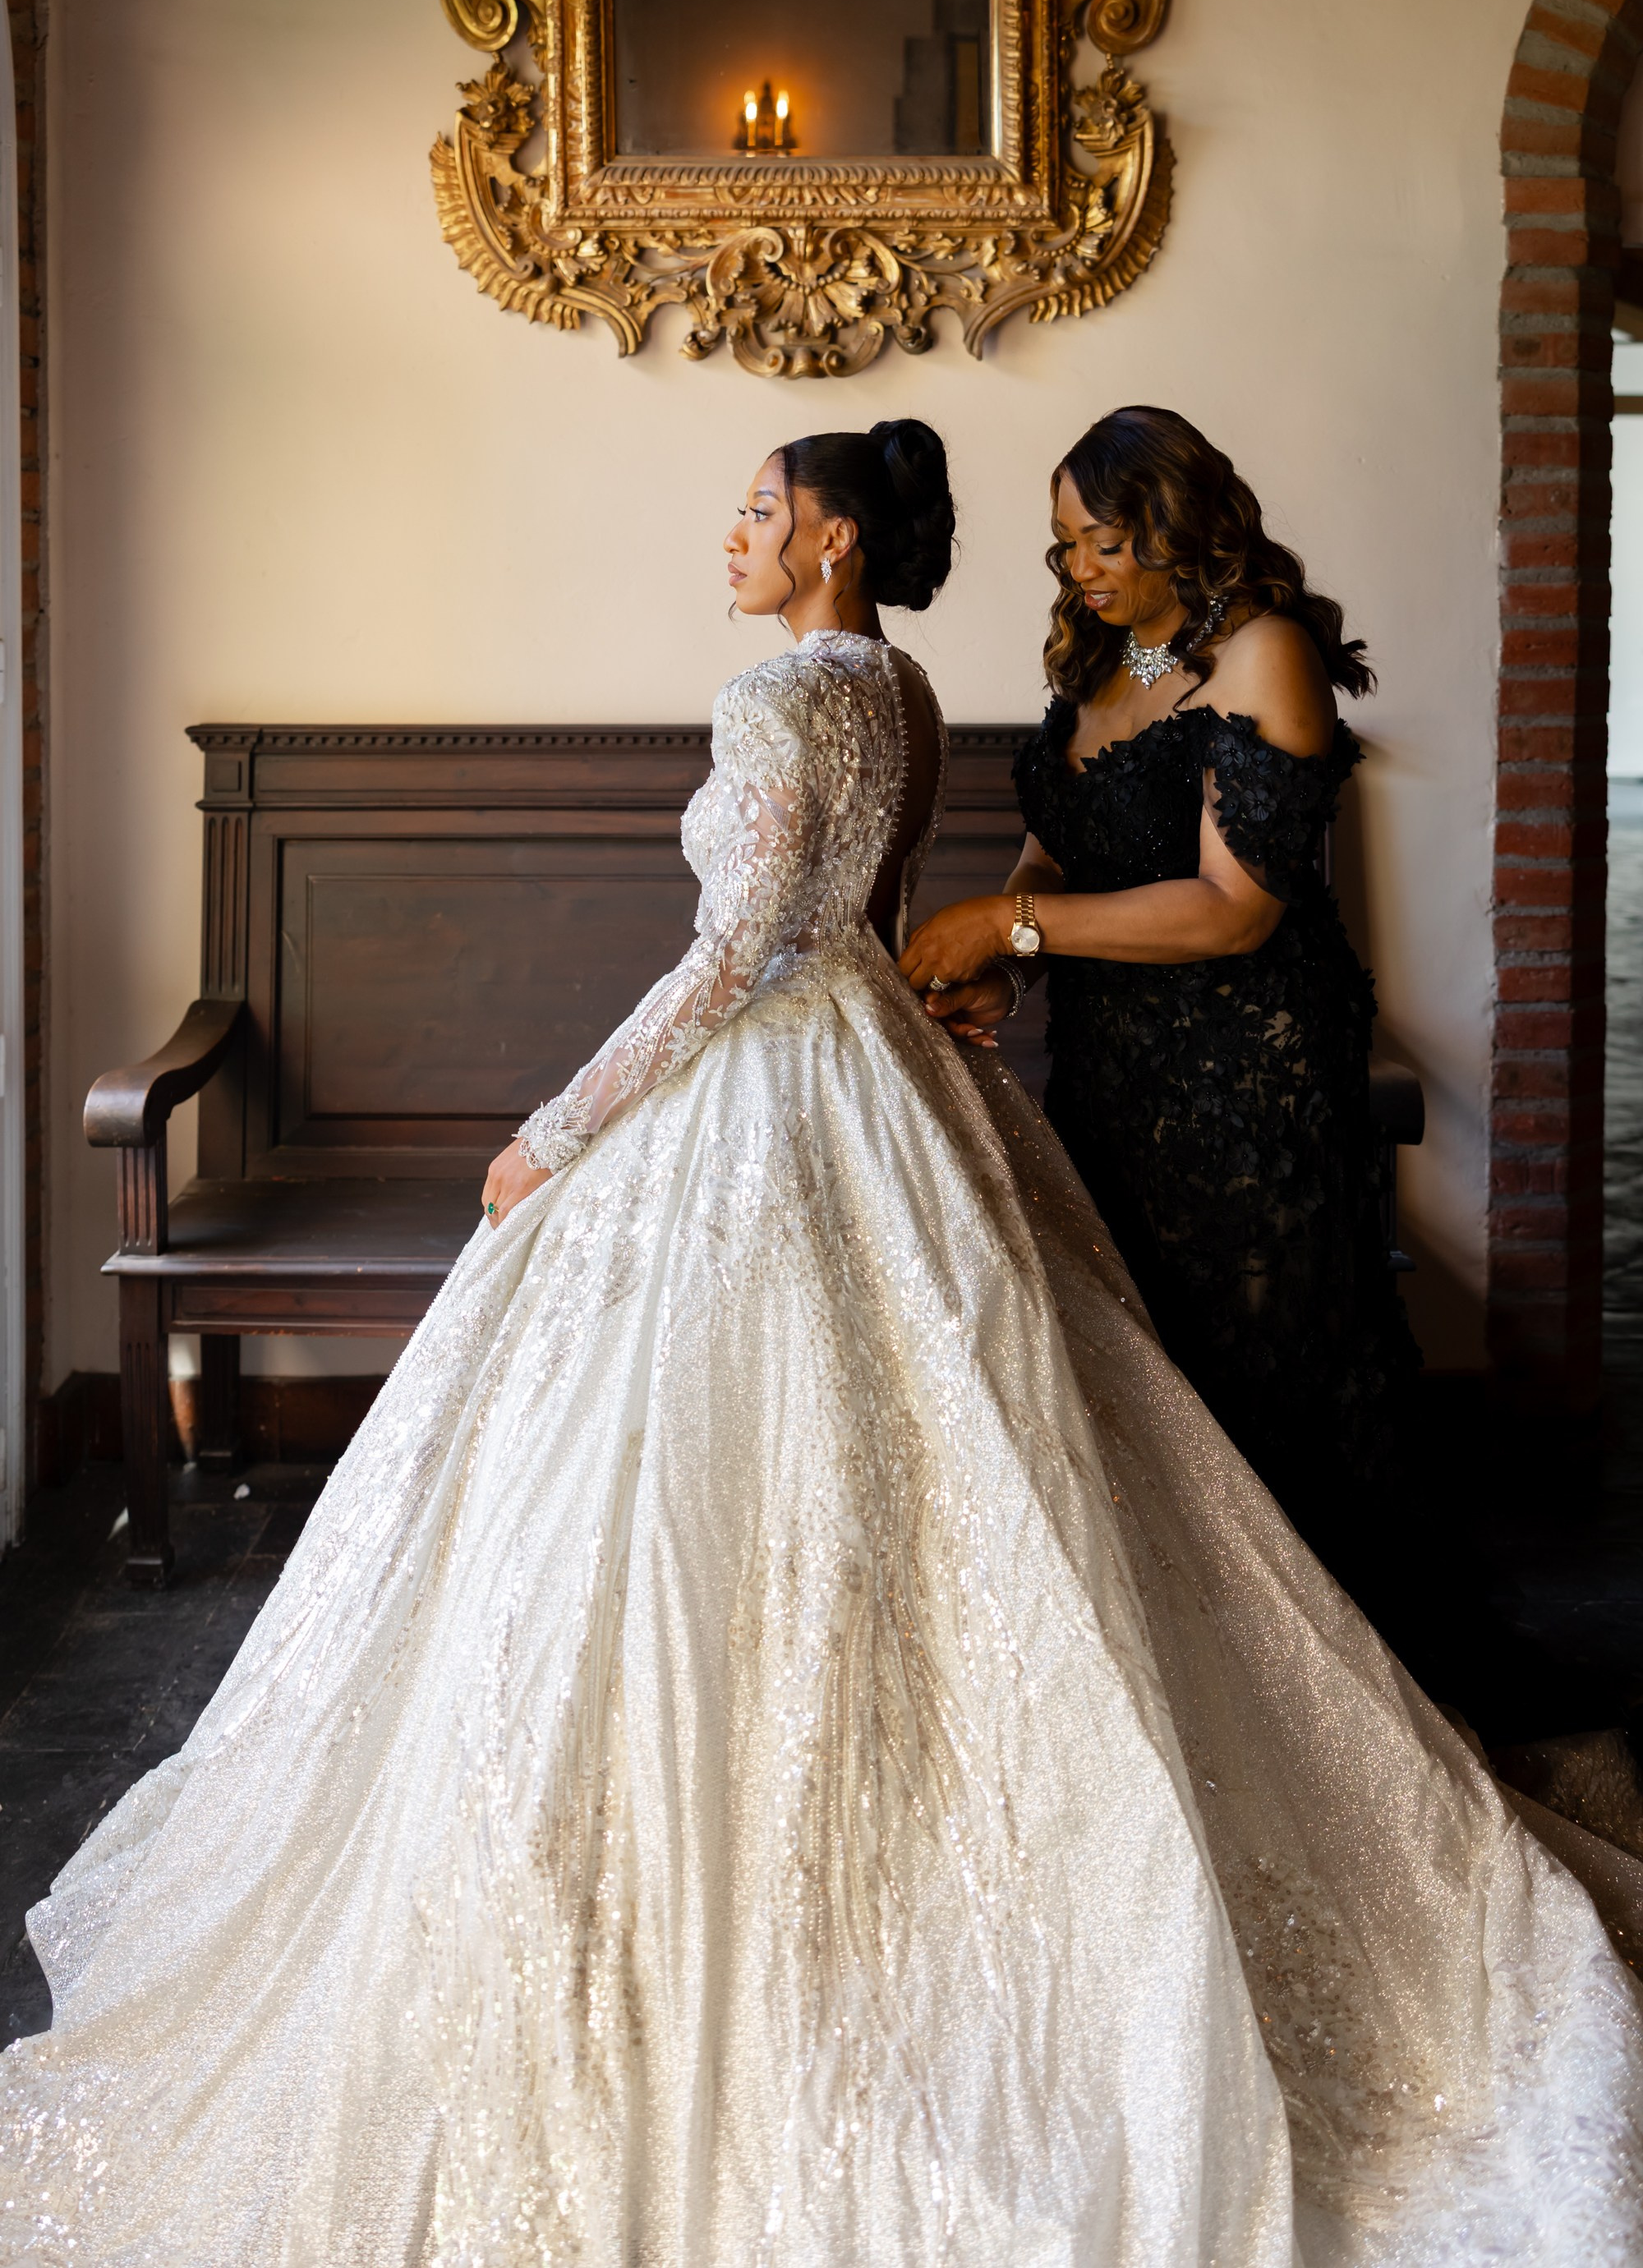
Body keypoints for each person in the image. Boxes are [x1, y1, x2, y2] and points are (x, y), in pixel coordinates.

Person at [2, 420, 1640, 2266]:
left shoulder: (784, 697)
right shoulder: (904, 689)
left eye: (757, 512)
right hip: (879, 1074)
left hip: (781, 1087)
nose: (731, 536)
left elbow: (732, 962)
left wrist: (555, 1132)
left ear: (833, 537)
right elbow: (857, 925)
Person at [902, 406, 1418, 1571]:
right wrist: (1008, 969)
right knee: (1142, 1393)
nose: (1079, 568)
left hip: (1245, 1088)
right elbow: (1060, 855)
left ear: (1178, 527)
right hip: (1107, 1073)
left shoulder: (1261, 651)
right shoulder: (1120, 657)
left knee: (1252, 1393)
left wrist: (1006, 925)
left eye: (1103, 541)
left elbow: (1236, 908)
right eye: (1065, 544)